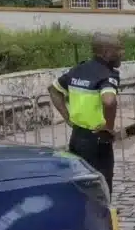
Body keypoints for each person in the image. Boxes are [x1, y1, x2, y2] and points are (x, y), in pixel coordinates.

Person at [48, 32, 122, 196]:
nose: (122, 53)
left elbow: (53, 90)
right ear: (106, 52)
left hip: (77, 136)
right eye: (119, 49)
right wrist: (108, 127)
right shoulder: (107, 74)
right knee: (101, 183)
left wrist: (67, 118)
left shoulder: (78, 70)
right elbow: (109, 101)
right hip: (98, 139)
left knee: (80, 181)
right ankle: (102, 217)